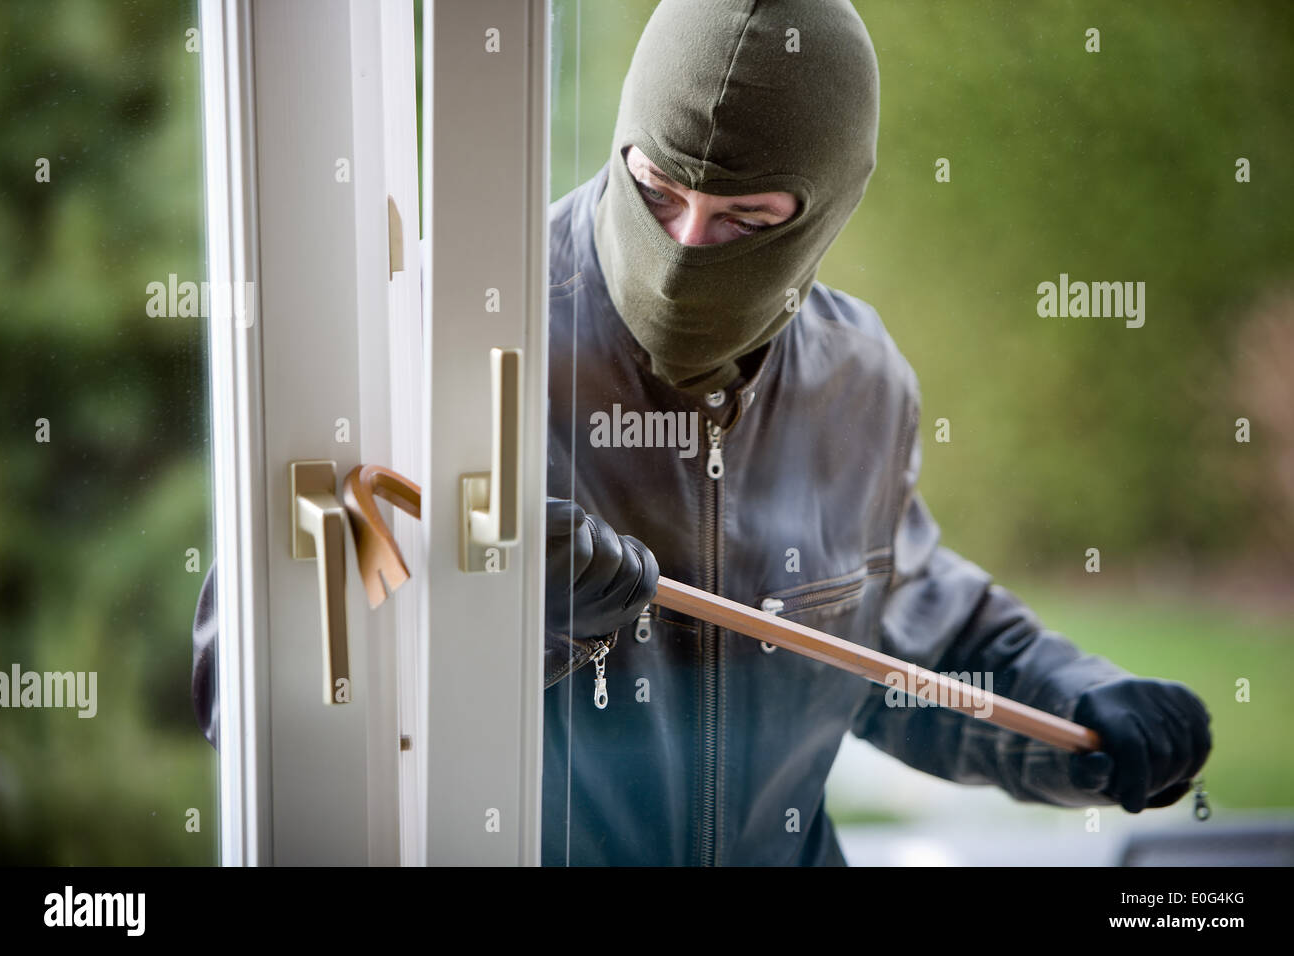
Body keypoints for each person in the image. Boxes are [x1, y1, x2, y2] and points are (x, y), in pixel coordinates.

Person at [195, 0, 1212, 867]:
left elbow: (910, 636)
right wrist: (493, 625)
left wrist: (1090, 711)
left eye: (743, 221)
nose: (684, 253)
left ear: (822, 214)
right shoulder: (447, 331)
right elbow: (250, 689)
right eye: (656, 193)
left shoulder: (859, 381)